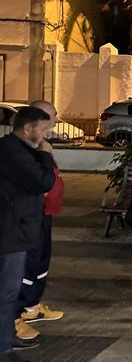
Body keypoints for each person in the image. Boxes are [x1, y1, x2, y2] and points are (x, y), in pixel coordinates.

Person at [0, 106, 55, 354]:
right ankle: (3, 342)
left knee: (10, 290)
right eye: (43, 129)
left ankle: (6, 335)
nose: (46, 134)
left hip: (17, 229)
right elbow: (43, 181)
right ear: (28, 128)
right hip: (12, 232)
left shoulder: (17, 149)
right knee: (8, 290)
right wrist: (45, 154)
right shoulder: (13, 151)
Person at [15, 102, 64, 343]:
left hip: (44, 214)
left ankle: (32, 305)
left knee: (41, 262)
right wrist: (46, 154)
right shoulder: (29, 151)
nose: (55, 120)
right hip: (31, 217)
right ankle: (17, 315)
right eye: (51, 116)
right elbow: (41, 182)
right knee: (27, 265)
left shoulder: (41, 146)